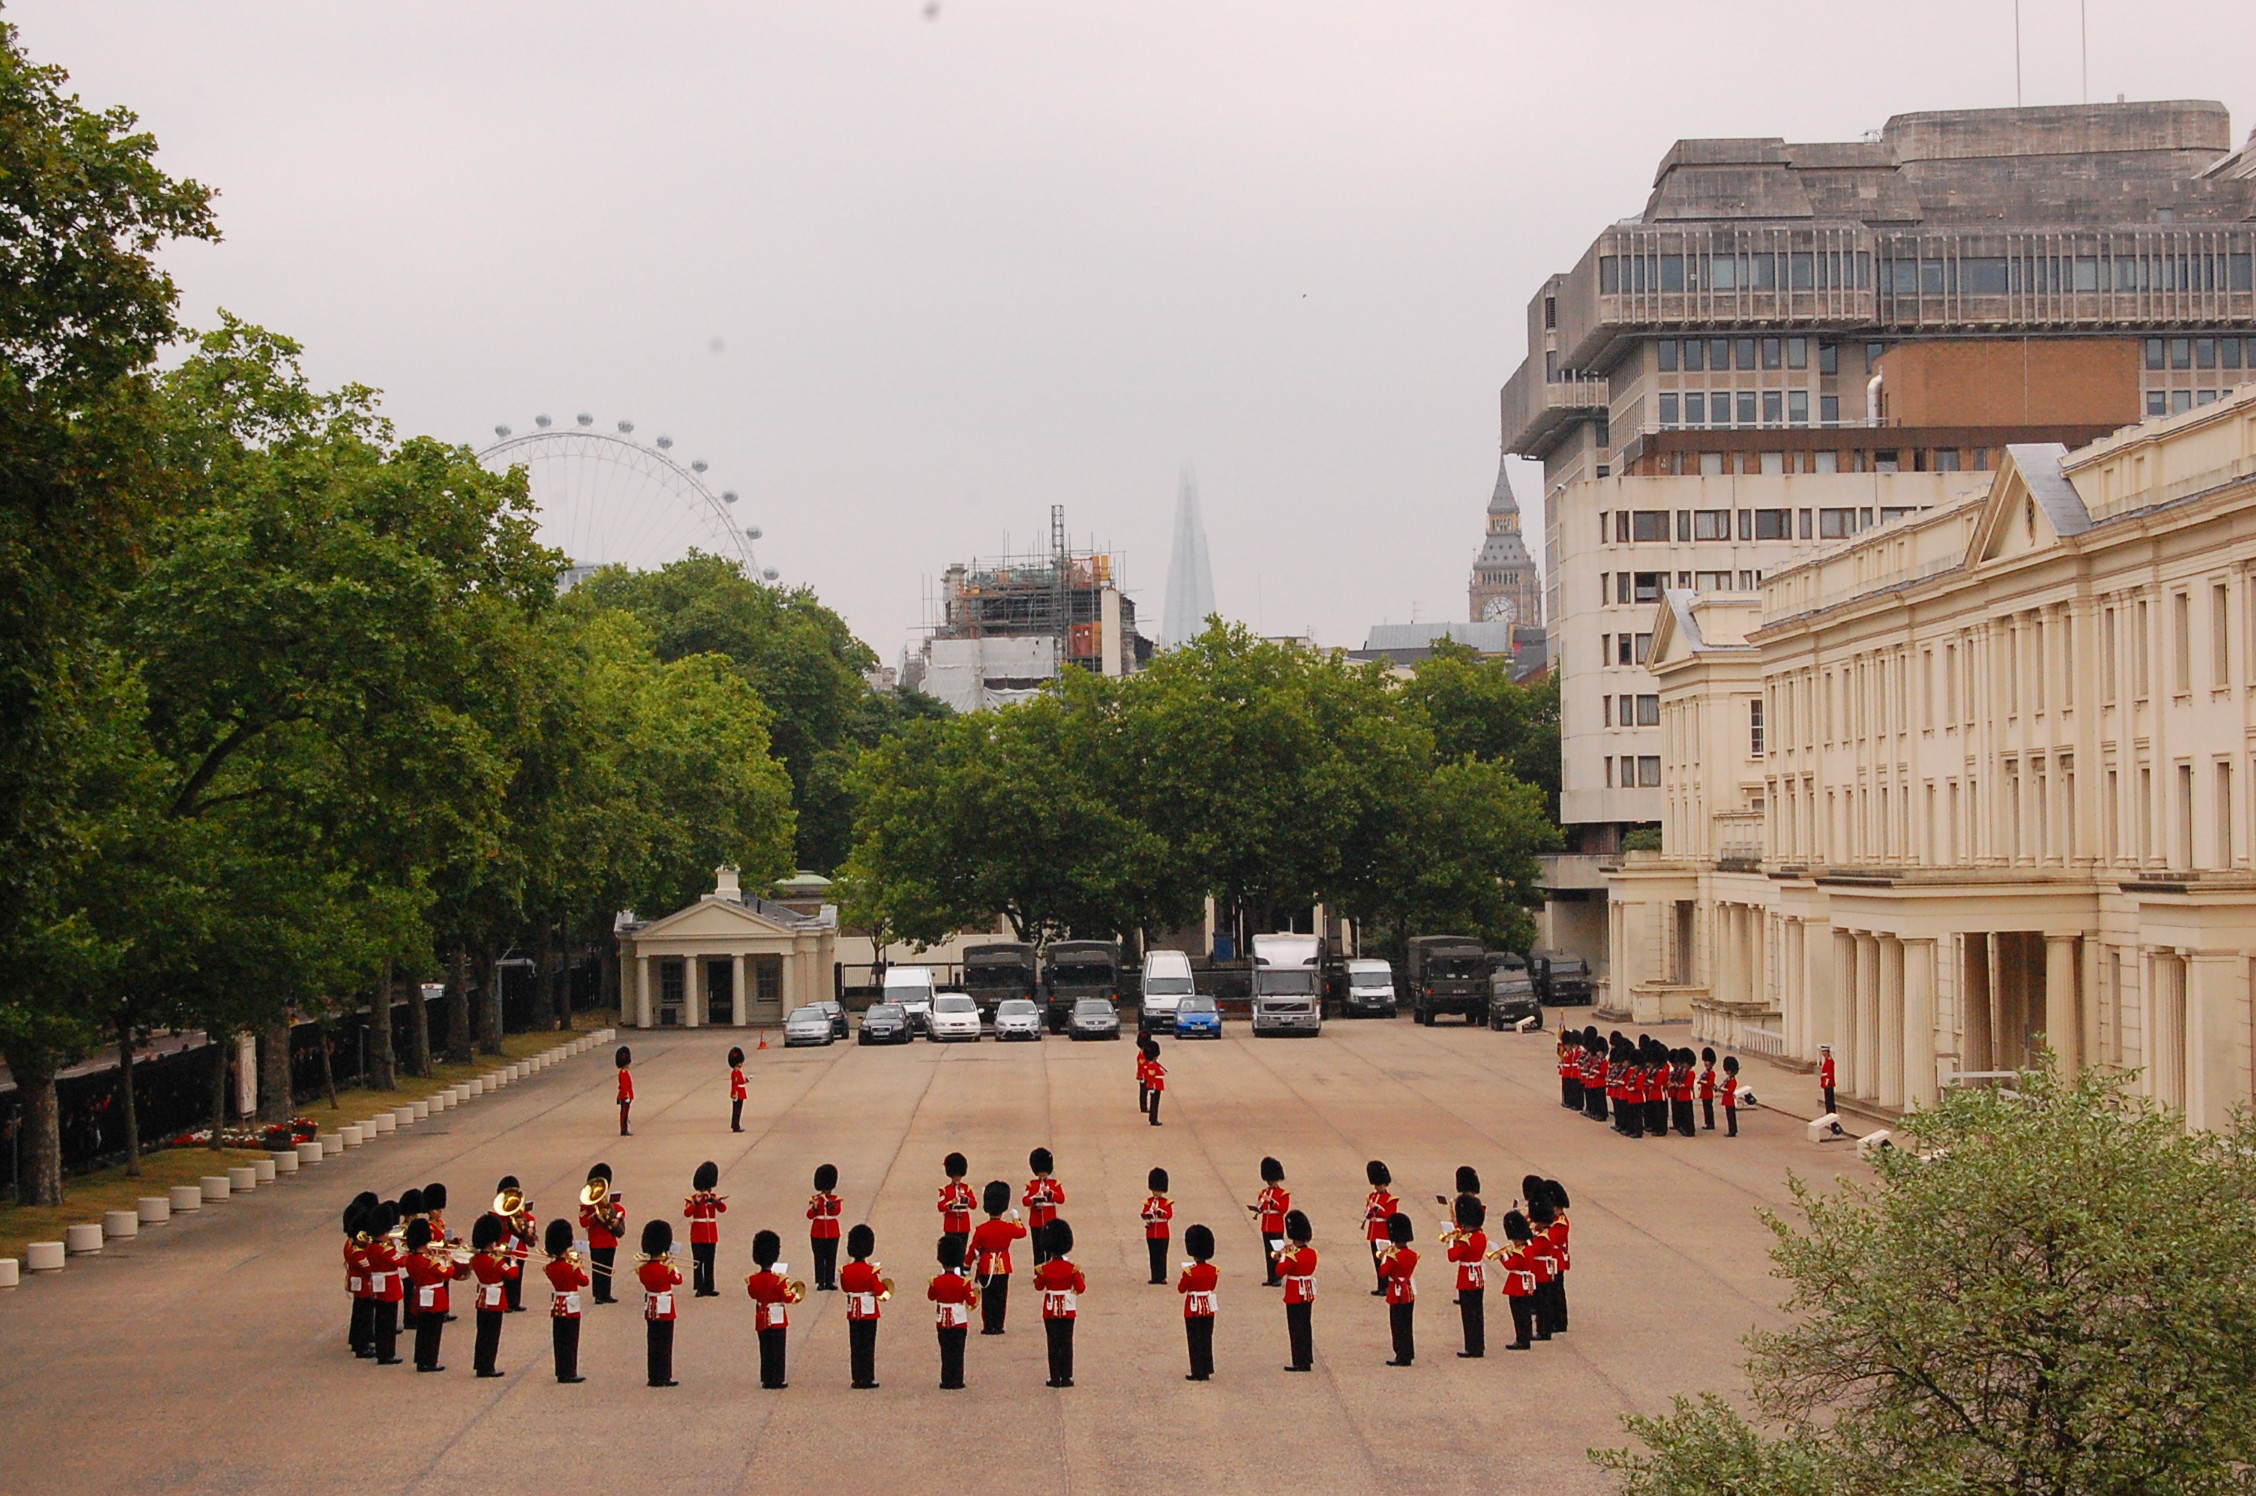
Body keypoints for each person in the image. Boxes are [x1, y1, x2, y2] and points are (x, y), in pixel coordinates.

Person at [401, 1217, 467, 1372]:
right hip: (435, 1296)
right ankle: (430, 1360)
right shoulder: (429, 1261)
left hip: (420, 1295)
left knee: (423, 1329)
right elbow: (448, 1273)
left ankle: (421, 1359)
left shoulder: (411, 1259)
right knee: (433, 1331)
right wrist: (448, 1260)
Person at [1033, 1220, 1086, 1388]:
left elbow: (1039, 1286)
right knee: (1067, 1342)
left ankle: (1055, 1377)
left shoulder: (1044, 1269)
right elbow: (1080, 1288)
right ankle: (1067, 1377)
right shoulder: (1072, 1269)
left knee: (1053, 1344)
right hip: (1068, 1308)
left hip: (1050, 1310)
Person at [971, 1179, 1027, 1334]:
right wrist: (1016, 1218)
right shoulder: (1008, 1228)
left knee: (988, 1298)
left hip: (986, 1265)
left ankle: (988, 1325)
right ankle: (999, 1325)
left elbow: (973, 1249)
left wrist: (966, 1266)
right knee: (1001, 1298)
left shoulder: (982, 1229)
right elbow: (1022, 1232)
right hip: (1003, 1265)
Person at [745, 1229, 796, 1390]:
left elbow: (753, 1295)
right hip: (777, 1315)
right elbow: (788, 1298)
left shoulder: (753, 1280)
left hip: (761, 1314)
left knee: (765, 1347)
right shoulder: (779, 1279)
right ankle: (777, 1378)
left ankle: (766, 1378)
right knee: (778, 1347)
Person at [541, 1217, 589, 1383]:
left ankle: (561, 1371)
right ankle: (570, 1371)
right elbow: (584, 1282)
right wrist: (580, 1268)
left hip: (557, 1305)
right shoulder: (571, 1268)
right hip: (571, 1306)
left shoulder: (550, 1267)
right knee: (570, 1340)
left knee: (559, 1339)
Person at [637, 1219, 683, 1387]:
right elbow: (678, 1280)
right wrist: (673, 1266)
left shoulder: (643, 1269)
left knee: (653, 1341)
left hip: (651, 1305)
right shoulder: (666, 1269)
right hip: (665, 1306)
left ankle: (653, 1375)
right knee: (664, 1342)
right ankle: (663, 1375)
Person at [840, 1223, 885, 1389]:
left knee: (856, 1345)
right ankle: (868, 1377)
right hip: (868, 1310)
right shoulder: (871, 1271)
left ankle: (857, 1377)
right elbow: (879, 1291)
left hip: (853, 1311)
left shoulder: (846, 1270)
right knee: (868, 1345)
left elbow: (845, 1288)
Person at [928, 1236, 975, 1390]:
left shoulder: (936, 1281)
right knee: (958, 1350)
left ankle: (946, 1379)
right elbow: (972, 1302)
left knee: (945, 1350)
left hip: (942, 1320)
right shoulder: (963, 1282)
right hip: (959, 1320)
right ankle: (957, 1380)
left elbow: (931, 1296)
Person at [468, 1213, 512, 1378]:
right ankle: (488, 1366)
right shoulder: (495, 1260)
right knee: (492, 1334)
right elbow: (512, 1274)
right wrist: (512, 1259)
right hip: (495, 1298)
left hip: (483, 1297)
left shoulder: (477, 1259)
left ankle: (481, 1364)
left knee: (482, 1333)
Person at [1445, 1193, 1488, 1358]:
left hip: (1466, 1278)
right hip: (1478, 1276)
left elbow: (1452, 1256)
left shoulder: (1466, 1240)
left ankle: (1472, 1347)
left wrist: (1451, 1241)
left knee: (1469, 1315)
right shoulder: (1480, 1236)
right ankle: (1479, 1345)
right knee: (1477, 1313)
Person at [1176, 1222, 1219, 1381]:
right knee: (1206, 1338)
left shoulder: (1190, 1272)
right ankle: (1207, 1369)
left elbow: (1181, 1289)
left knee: (1194, 1339)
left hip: (1193, 1308)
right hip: (1208, 1307)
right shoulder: (1213, 1270)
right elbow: (1212, 1286)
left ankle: (1197, 1371)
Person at [364, 1201, 404, 1365]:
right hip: (389, 1286)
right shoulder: (384, 1249)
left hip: (379, 1284)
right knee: (388, 1322)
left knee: (381, 1320)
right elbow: (400, 1261)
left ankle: (383, 1351)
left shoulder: (372, 1247)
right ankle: (387, 1353)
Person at [1277, 1209, 1317, 1372]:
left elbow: (1279, 1271)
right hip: (1307, 1291)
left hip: (1294, 1292)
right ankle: (1306, 1358)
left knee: (1296, 1327)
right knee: (1305, 1325)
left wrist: (1284, 1256)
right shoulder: (1311, 1253)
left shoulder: (1293, 1255)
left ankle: (1299, 1360)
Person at [580, 1164, 626, 1305]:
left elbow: (621, 1210)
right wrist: (594, 1217)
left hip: (609, 1240)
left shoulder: (609, 1202)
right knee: (598, 1269)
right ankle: (598, 1295)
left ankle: (606, 1293)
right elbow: (583, 1221)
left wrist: (616, 1218)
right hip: (596, 1240)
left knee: (607, 1268)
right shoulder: (586, 1204)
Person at [1494, 1211, 1539, 1351]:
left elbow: (1510, 1265)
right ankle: (1525, 1336)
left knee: (1519, 1314)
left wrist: (1502, 1256)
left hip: (1518, 1284)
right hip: (1525, 1283)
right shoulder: (1528, 1248)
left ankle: (1522, 1339)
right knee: (1524, 1313)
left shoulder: (1521, 1251)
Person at [1380, 1212, 1418, 1367]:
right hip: (1408, 1291)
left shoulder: (1393, 1256)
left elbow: (1383, 1272)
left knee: (1397, 1325)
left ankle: (1401, 1354)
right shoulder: (1412, 1254)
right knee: (1407, 1325)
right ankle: (1408, 1352)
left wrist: (1384, 1256)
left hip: (1396, 1293)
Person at [685, 1161, 727, 1297]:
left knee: (709, 1262)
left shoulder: (713, 1198)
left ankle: (709, 1287)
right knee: (698, 1262)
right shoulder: (693, 1199)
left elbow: (722, 1209)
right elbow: (687, 1213)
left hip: (710, 1235)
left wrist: (714, 1201)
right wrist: (697, 1202)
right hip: (697, 1235)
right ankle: (699, 1287)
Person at [343, 1198, 375, 1357]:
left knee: (361, 1313)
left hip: (360, 1283)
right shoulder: (357, 1251)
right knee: (363, 1314)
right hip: (363, 1284)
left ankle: (358, 1340)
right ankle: (361, 1345)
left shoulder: (352, 1243)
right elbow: (369, 1268)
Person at [1249, 1157, 1289, 1286]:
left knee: (1277, 1253)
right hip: (1266, 1226)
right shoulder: (1263, 1192)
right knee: (1268, 1254)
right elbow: (1261, 1207)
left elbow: (1283, 1209)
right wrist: (1257, 1209)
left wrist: (1272, 1202)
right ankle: (1271, 1277)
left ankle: (1278, 1277)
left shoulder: (1283, 1193)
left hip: (1276, 1226)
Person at [1362, 1161, 1399, 1296]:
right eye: (1377, 1185)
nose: (1378, 1187)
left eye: (1380, 1185)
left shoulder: (1391, 1199)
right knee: (1377, 1261)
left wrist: (1377, 1208)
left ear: (1386, 1184)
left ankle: (1387, 1286)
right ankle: (1380, 1285)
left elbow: (1390, 1214)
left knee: (1384, 1261)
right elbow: (1367, 1212)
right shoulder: (1371, 1197)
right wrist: (1369, 1212)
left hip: (1383, 1232)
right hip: (1374, 1231)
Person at [1023, 1149, 1065, 1265]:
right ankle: (1038, 1273)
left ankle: (1050, 1270)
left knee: (1050, 1248)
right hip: (1036, 1221)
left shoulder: (1054, 1184)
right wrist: (1034, 1199)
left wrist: (1050, 1193)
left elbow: (1061, 1199)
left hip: (1050, 1220)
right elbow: (1025, 1200)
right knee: (1038, 1250)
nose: (1042, 1174)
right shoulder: (1032, 1184)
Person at [807, 1164, 843, 1290]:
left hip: (833, 1233)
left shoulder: (835, 1199)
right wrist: (815, 1207)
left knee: (831, 1257)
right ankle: (820, 1281)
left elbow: (836, 1212)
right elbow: (810, 1215)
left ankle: (829, 1281)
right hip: (817, 1233)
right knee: (819, 1258)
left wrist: (831, 1206)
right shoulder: (816, 1199)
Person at [937, 1152, 975, 1268]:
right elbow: (940, 1207)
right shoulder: (944, 1190)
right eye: (955, 1176)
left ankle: (961, 1267)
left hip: (963, 1224)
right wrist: (950, 1203)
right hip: (951, 1223)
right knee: (950, 1247)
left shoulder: (967, 1188)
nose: (957, 1178)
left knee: (962, 1248)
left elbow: (974, 1205)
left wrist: (966, 1199)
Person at [1140, 1168, 1174, 1284]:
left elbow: (1169, 1215)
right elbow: (1144, 1212)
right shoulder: (1148, 1202)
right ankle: (1155, 1276)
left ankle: (1162, 1276)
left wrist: (1160, 1212)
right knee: (1153, 1255)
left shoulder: (1166, 1202)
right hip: (1151, 1232)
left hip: (1163, 1231)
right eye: (1154, 1190)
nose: (1156, 1193)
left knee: (1162, 1255)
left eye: (1158, 1191)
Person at [1559, 1029, 1584, 1111]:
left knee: (1576, 1091)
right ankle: (1569, 1102)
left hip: (1576, 1074)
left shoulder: (1579, 1052)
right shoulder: (1569, 1052)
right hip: (1569, 1073)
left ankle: (1577, 1104)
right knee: (1568, 1089)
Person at [1143, 1037, 1166, 1126]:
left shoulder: (1153, 1064)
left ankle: (1152, 1118)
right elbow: (1151, 1077)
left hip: (1157, 1085)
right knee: (1154, 1104)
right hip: (1155, 1086)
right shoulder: (1152, 1066)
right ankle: (1153, 1119)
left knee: (1154, 1103)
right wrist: (1151, 1087)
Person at [615, 1045, 635, 1136]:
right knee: (624, 1114)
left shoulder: (625, 1072)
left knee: (625, 1113)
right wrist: (626, 1095)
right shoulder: (623, 1073)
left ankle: (625, 1128)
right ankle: (623, 1130)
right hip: (624, 1096)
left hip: (626, 1095)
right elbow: (624, 1086)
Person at [728, 1046, 748, 1133]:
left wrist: (747, 1080)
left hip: (740, 1092)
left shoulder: (738, 1072)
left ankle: (736, 1124)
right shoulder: (735, 1073)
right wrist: (734, 1094)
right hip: (738, 1093)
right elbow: (735, 1084)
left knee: (738, 1110)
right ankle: (735, 1125)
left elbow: (741, 1081)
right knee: (737, 1110)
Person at [1698, 1047, 1719, 1131]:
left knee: (1708, 1109)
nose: (1705, 1063)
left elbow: (1710, 1083)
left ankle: (1710, 1123)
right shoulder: (1706, 1072)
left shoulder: (1711, 1073)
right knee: (1706, 1109)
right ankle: (1708, 1122)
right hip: (1704, 1093)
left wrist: (1702, 1082)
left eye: (1707, 1061)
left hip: (1708, 1093)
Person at [1722, 1054, 1742, 1137]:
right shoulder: (1729, 1080)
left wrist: (1723, 1089)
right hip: (1727, 1100)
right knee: (1729, 1116)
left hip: (1730, 1100)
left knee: (1731, 1117)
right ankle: (1732, 1130)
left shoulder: (1733, 1081)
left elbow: (1730, 1091)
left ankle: (1732, 1131)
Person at [1818, 1042, 1837, 1117]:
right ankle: (1828, 1112)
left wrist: (1826, 1082)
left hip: (1828, 1083)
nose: (1823, 1053)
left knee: (1829, 1099)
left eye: (1824, 1051)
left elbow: (1829, 1073)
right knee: (1827, 1099)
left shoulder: (1830, 1061)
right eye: (1822, 1051)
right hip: (1826, 1082)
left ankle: (1831, 1112)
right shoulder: (1827, 1060)